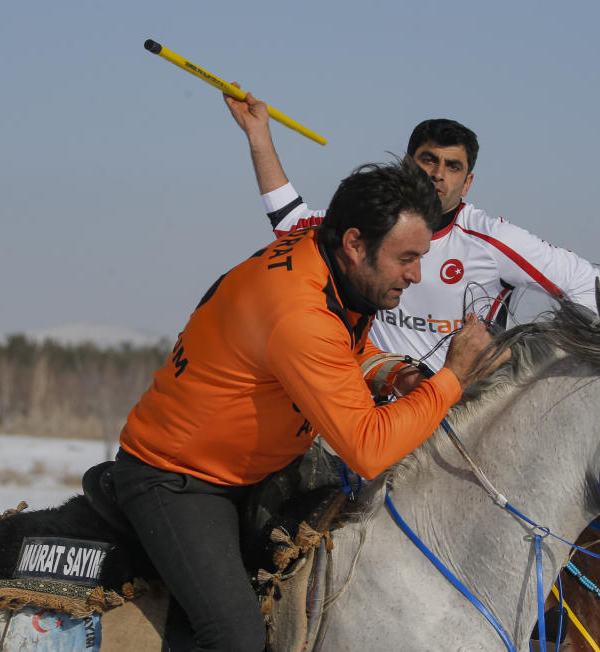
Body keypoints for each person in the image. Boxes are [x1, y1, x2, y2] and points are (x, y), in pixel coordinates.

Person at [108, 159, 507, 651]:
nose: (415, 275)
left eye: (421, 257)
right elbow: (367, 447)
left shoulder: (323, 260)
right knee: (236, 637)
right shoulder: (300, 312)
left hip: (255, 468)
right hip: (179, 479)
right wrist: (452, 377)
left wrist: (395, 372)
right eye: (405, 258)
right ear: (355, 244)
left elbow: (345, 349)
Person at [226, 89, 600, 370]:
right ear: (408, 164)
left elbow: (585, 283)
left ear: (468, 182)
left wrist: (533, 358)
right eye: (428, 159)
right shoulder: (372, 220)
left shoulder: (492, 240)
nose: (438, 174)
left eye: (452, 166)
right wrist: (258, 135)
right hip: (374, 403)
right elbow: (291, 225)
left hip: (459, 418)